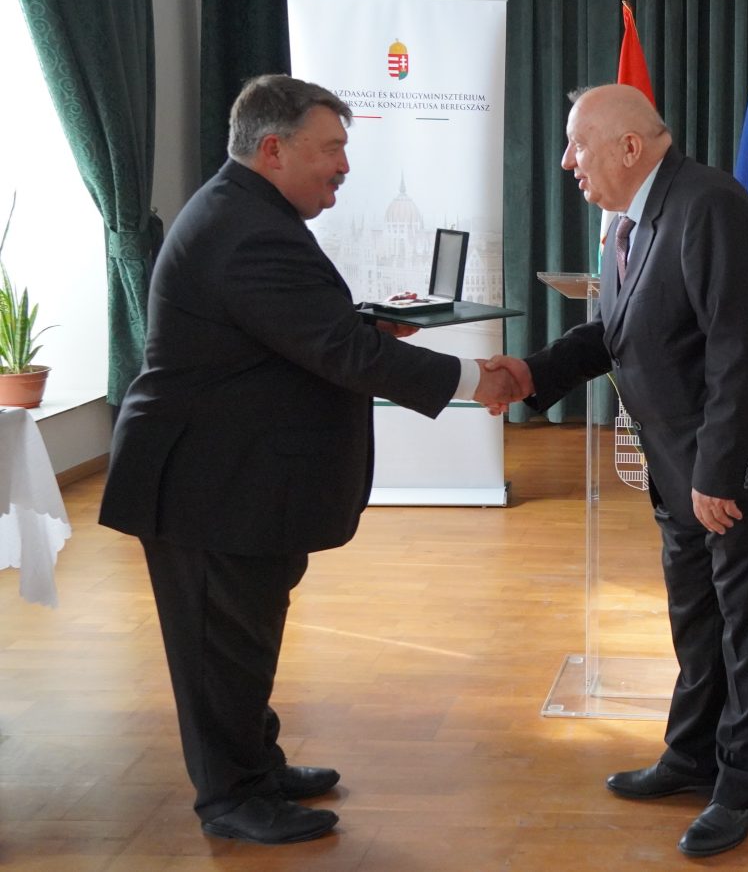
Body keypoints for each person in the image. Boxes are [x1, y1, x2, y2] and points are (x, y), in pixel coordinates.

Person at [98, 75, 521, 845]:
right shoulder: (249, 230)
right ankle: (231, 799)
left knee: (245, 633)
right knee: (219, 647)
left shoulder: (246, 213)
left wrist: (362, 326)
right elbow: (333, 351)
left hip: (236, 475)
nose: (344, 166)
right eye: (332, 149)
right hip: (207, 480)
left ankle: (255, 765)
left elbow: (288, 329)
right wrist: (473, 378)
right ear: (273, 150)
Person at [488, 84, 748, 858]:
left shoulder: (708, 206)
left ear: (629, 146)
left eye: (578, 144)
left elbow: (740, 347)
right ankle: (691, 757)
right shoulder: (629, 220)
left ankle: (743, 785)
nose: (567, 161)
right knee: (697, 619)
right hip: (680, 462)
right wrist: (533, 372)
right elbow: (617, 332)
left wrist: (718, 470)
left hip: (741, 463)